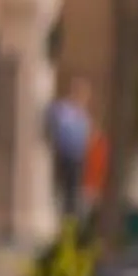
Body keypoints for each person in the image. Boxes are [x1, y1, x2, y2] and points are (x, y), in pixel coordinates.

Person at [44, 76, 93, 222]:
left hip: (78, 157)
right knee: (63, 191)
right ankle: (63, 219)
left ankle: (70, 221)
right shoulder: (63, 110)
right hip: (64, 155)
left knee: (73, 193)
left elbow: (85, 137)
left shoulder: (83, 114)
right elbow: (58, 129)